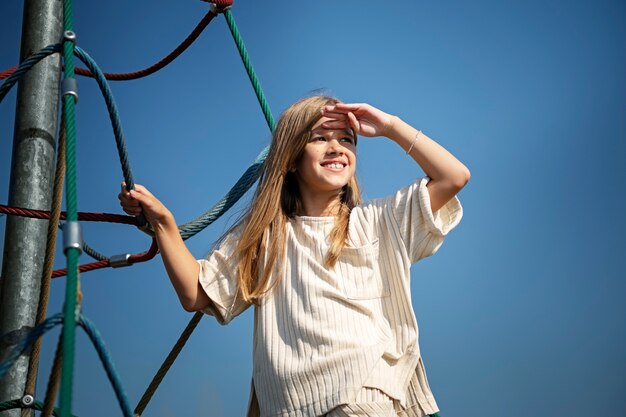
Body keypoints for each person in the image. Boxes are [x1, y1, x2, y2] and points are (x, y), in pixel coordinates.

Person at [119, 95, 470, 417]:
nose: (337, 148)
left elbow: (453, 176)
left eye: (346, 139)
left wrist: (390, 126)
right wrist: (164, 223)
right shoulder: (265, 238)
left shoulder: (379, 222)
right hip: (290, 406)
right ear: (290, 159)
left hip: (364, 397)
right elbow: (195, 292)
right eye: (320, 138)